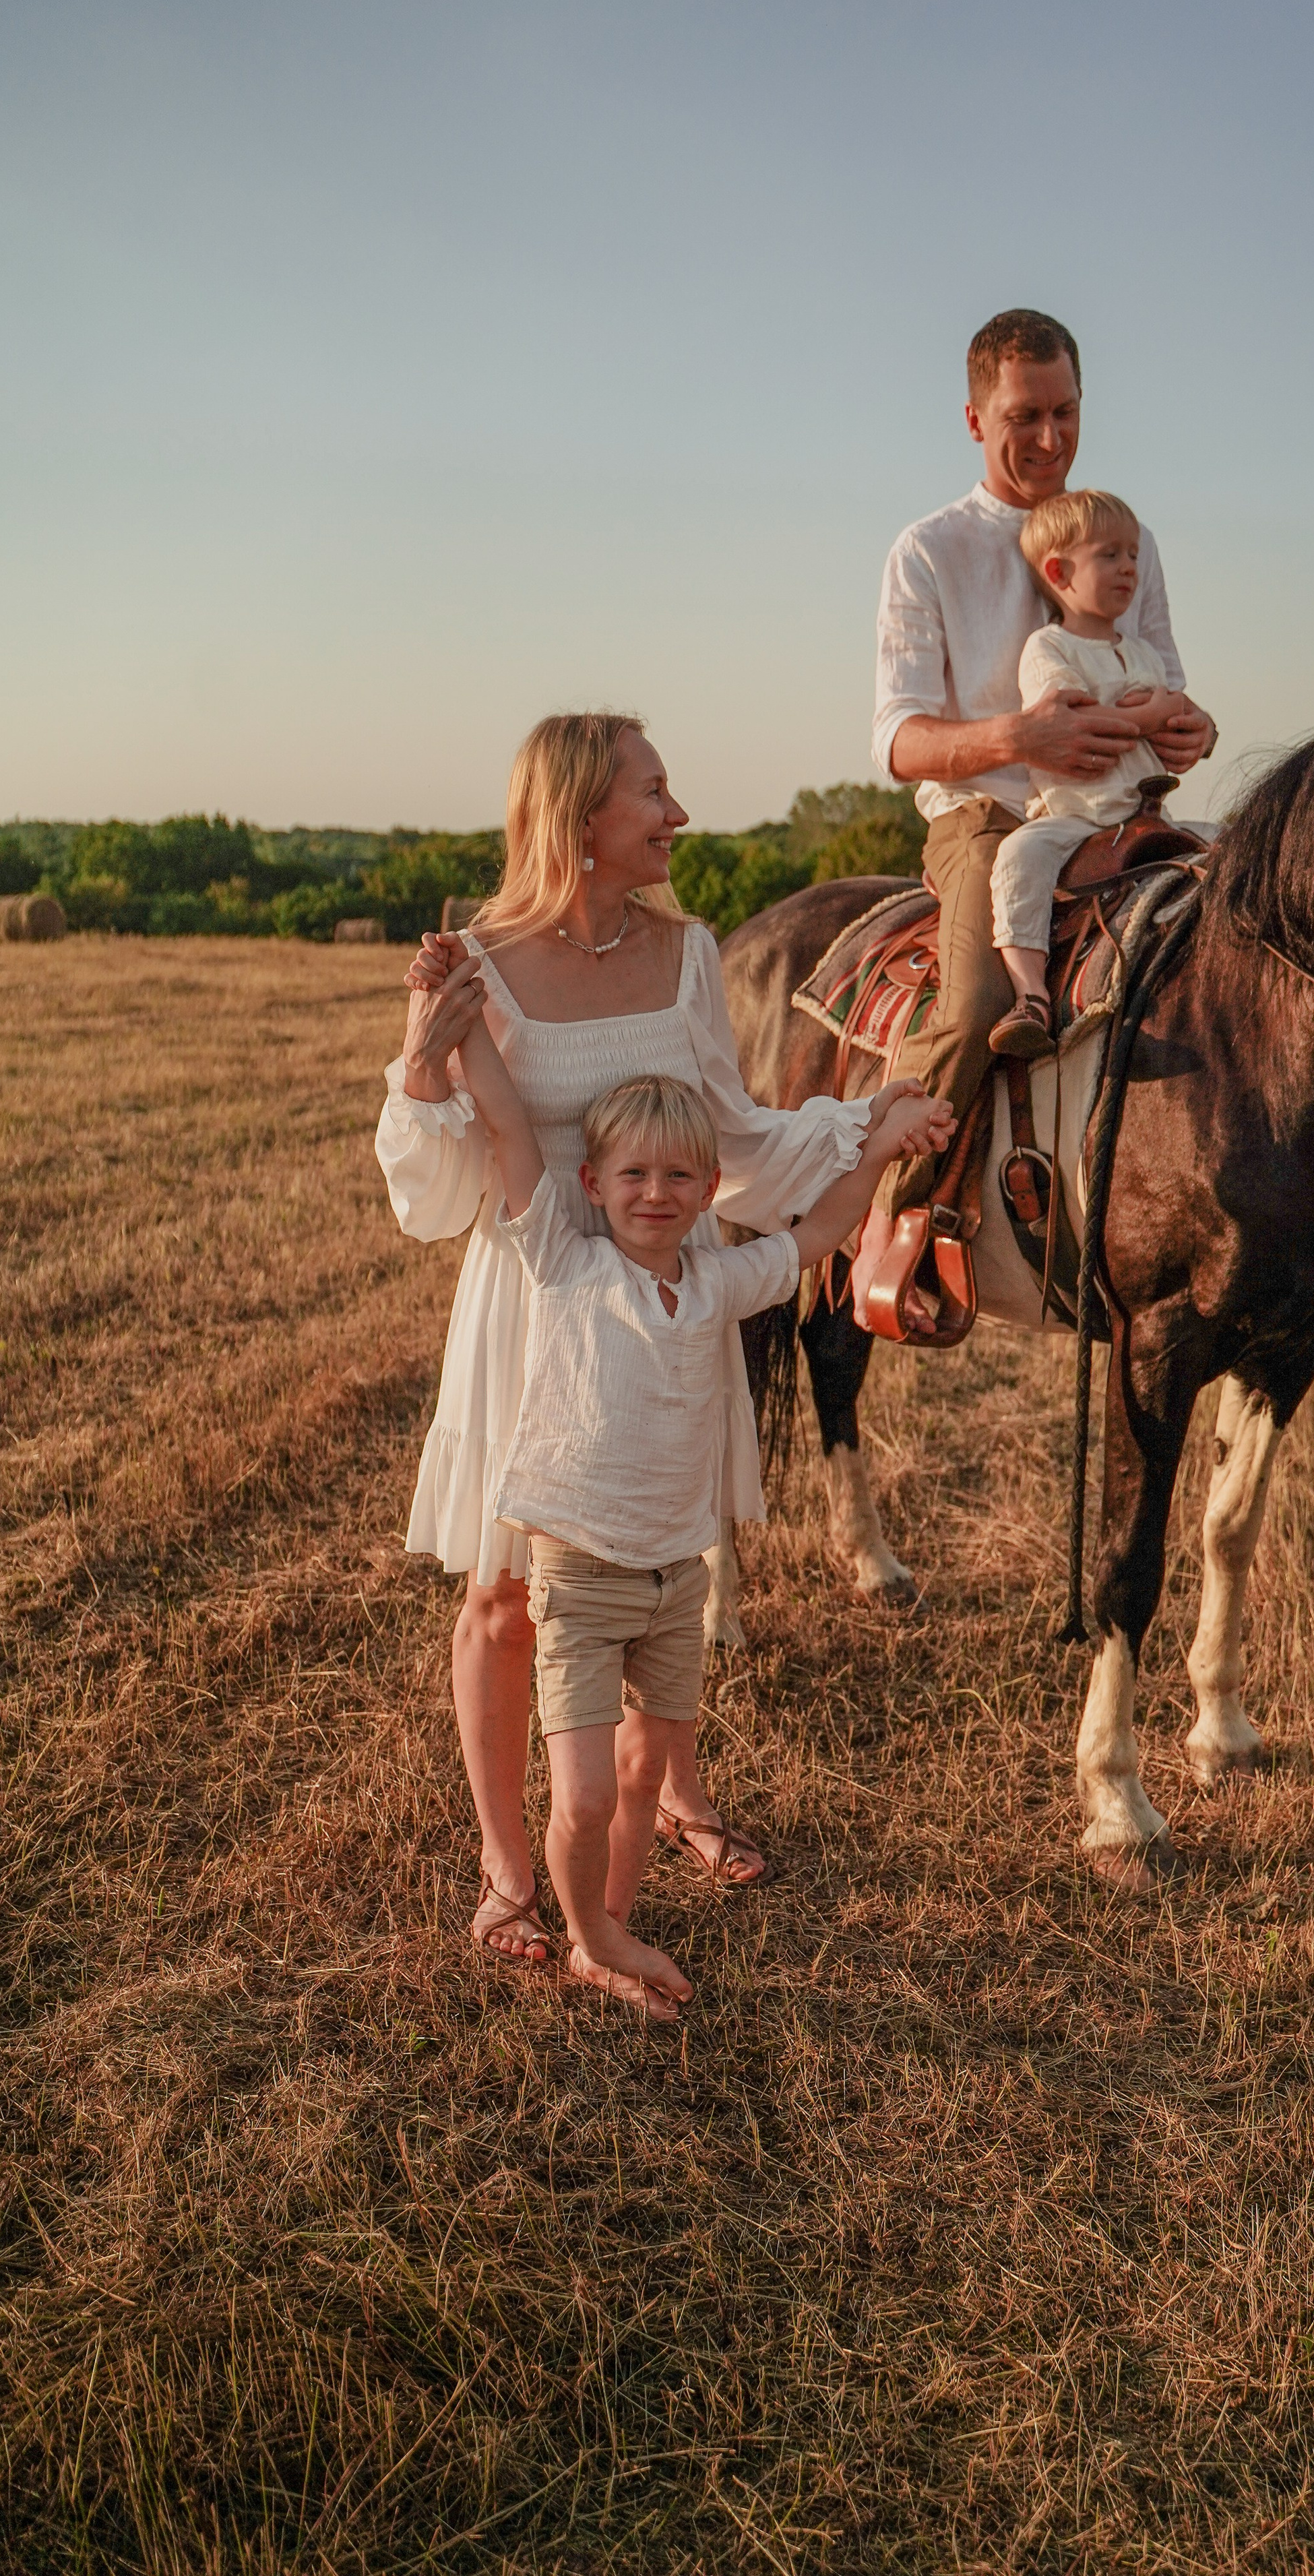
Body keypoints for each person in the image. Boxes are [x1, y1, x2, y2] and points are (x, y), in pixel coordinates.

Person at [377, 712, 949, 1965]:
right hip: (535, 1294)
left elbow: (734, 1141)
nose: (677, 814)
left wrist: (864, 1127)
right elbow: (429, 1199)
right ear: (584, 816)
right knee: (504, 1596)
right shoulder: (474, 960)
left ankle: (672, 1793)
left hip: (668, 1283)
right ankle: (506, 1868)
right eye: (655, 792)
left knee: (660, 1571)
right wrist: (423, 1066)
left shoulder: (689, 954)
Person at [442, 1054, 945, 2019]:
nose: (656, 1195)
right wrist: (467, 1036)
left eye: (680, 1177)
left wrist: (879, 1146)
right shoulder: (563, 1256)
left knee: (643, 1775)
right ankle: (591, 1933)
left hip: (680, 1583)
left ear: (711, 1190)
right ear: (592, 1186)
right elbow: (508, 1134)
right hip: (581, 1581)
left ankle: (611, 1924)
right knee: (585, 1796)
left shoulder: (716, 1282)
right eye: (632, 1175)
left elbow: (822, 1233)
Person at [865, 307, 1216, 1293]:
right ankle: (894, 1209)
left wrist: (1193, 732)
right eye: (1026, 416)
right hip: (987, 818)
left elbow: (1170, 690)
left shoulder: (1124, 535)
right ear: (975, 419)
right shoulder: (928, 550)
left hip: (1122, 810)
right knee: (977, 1000)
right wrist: (1024, 740)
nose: (1052, 439)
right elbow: (897, 738)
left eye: (1068, 412)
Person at [988, 489, 1216, 1059]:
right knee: (1019, 859)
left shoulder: (1142, 653)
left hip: (1144, 815)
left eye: (1133, 554)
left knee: (1228, 846)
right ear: (1060, 572)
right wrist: (1151, 713)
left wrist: (1176, 722)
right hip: (1075, 817)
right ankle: (1031, 994)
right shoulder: (1048, 649)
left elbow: (1169, 723)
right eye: (1109, 555)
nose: (1129, 568)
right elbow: (1078, 725)